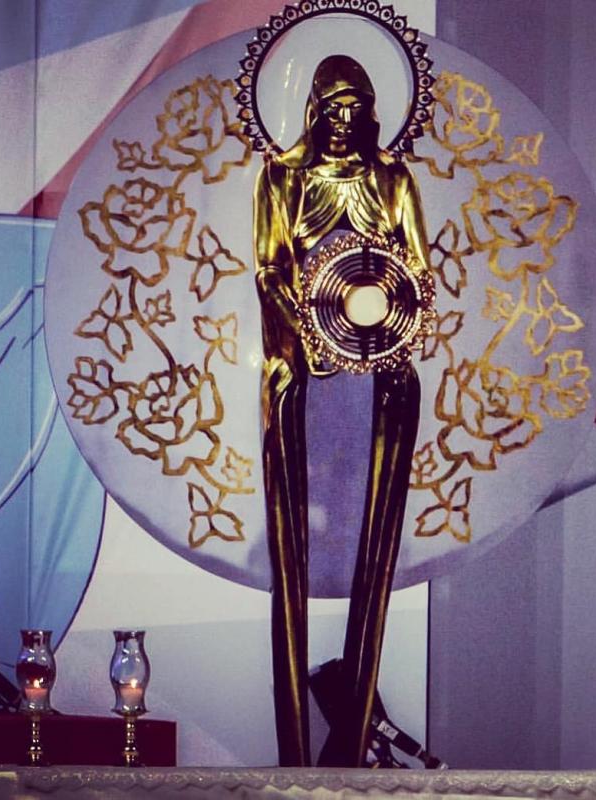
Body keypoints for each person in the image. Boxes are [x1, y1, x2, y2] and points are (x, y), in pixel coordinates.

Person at [253, 54, 431, 767]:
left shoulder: (392, 179)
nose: (343, 124)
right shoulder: (282, 177)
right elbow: (269, 268)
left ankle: (355, 740)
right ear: (314, 112)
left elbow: (417, 269)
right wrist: (311, 333)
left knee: (374, 535)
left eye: (356, 112)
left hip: (377, 369)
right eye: (333, 111)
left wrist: (378, 320)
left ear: (372, 117)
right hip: (305, 372)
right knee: (293, 546)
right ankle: (298, 755)